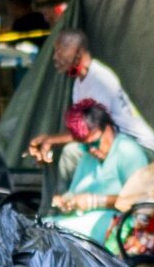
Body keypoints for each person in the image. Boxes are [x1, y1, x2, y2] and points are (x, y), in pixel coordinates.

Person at [28, 27, 154, 165]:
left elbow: (94, 131)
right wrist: (48, 142)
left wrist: (50, 139)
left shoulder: (100, 78)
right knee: (54, 155)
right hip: (114, 145)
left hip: (139, 148)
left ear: (78, 51)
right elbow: (80, 130)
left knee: (70, 154)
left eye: (60, 51)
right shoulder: (79, 83)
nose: (55, 57)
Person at [52, 100, 147, 250]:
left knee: (51, 235)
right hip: (85, 226)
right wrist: (68, 202)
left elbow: (142, 201)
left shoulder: (127, 150)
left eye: (94, 143)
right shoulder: (88, 155)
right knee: (42, 229)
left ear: (108, 129)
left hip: (116, 229)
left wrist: (95, 201)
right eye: (85, 145)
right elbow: (76, 191)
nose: (91, 150)